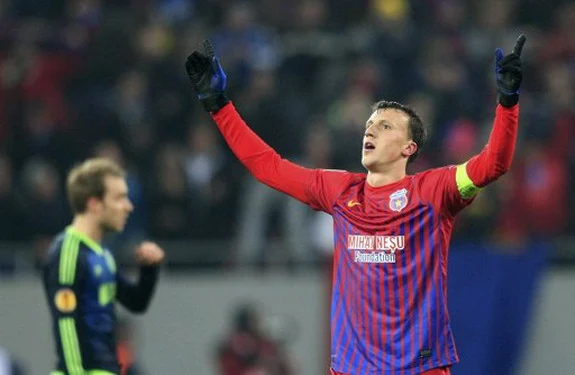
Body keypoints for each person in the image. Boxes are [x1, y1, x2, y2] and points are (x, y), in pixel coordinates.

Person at [185, 34, 526, 375]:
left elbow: (493, 164)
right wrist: (218, 104)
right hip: (352, 369)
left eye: (385, 125)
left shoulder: (435, 190)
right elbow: (267, 166)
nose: (371, 131)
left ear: (409, 147)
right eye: (369, 124)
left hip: (418, 368)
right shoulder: (339, 190)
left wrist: (507, 102)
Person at [42, 158, 165, 375]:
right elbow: (66, 324)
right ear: (94, 203)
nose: (128, 206)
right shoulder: (68, 252)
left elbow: (136, 302)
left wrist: (149, 270)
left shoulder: (101, 254)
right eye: (119, 198)